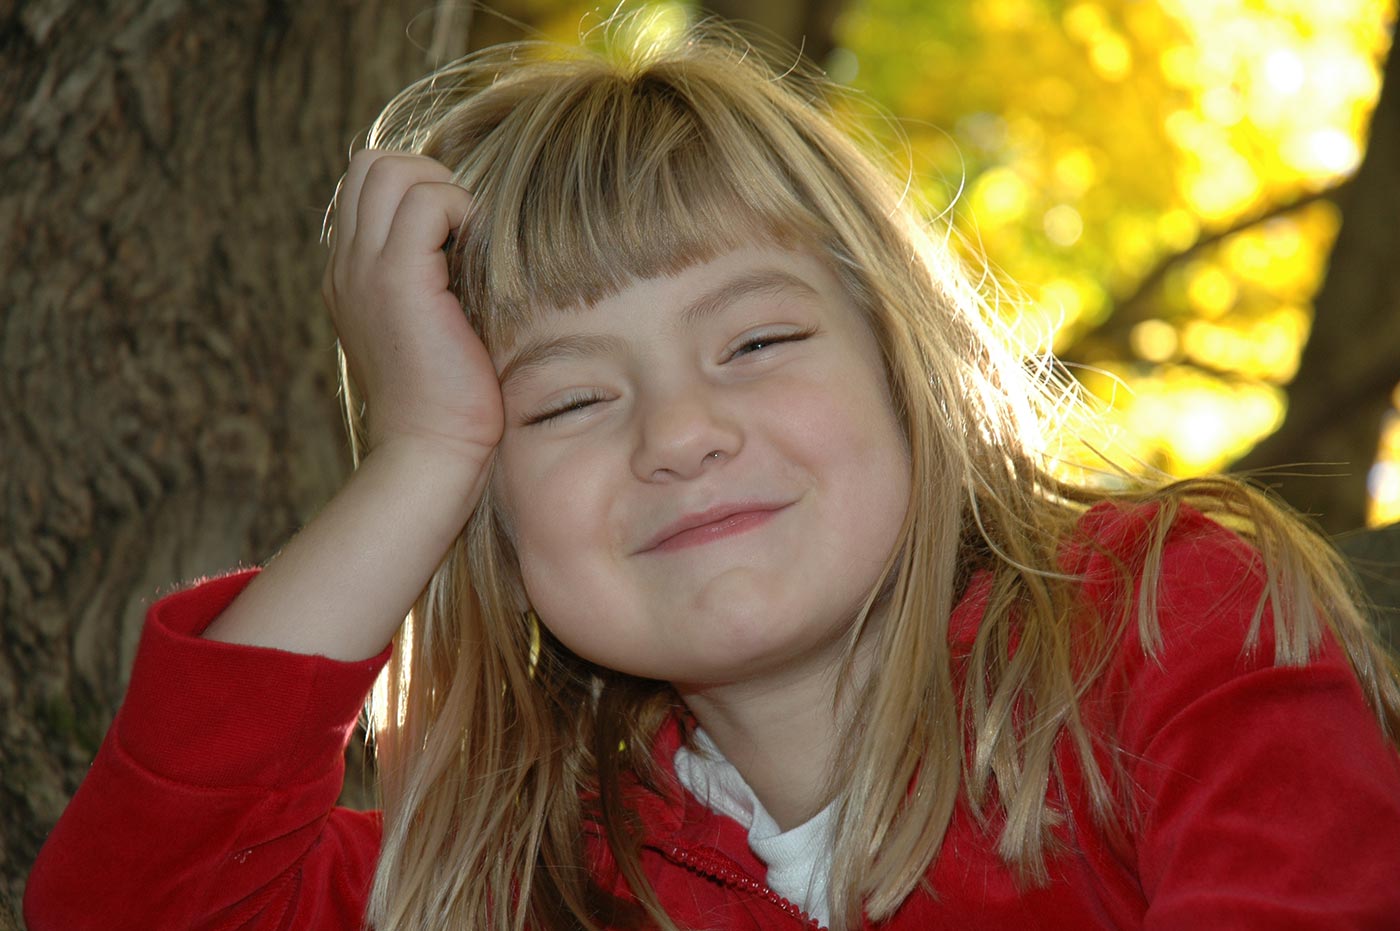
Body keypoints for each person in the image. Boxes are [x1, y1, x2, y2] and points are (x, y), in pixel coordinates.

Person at [24, 16, 1400, 931]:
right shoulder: (522, 869)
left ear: (905, 370)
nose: (678, 431)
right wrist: (419, 454)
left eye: (755, 339)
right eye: (564, 400)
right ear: (488, 518)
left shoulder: (1175, 629)